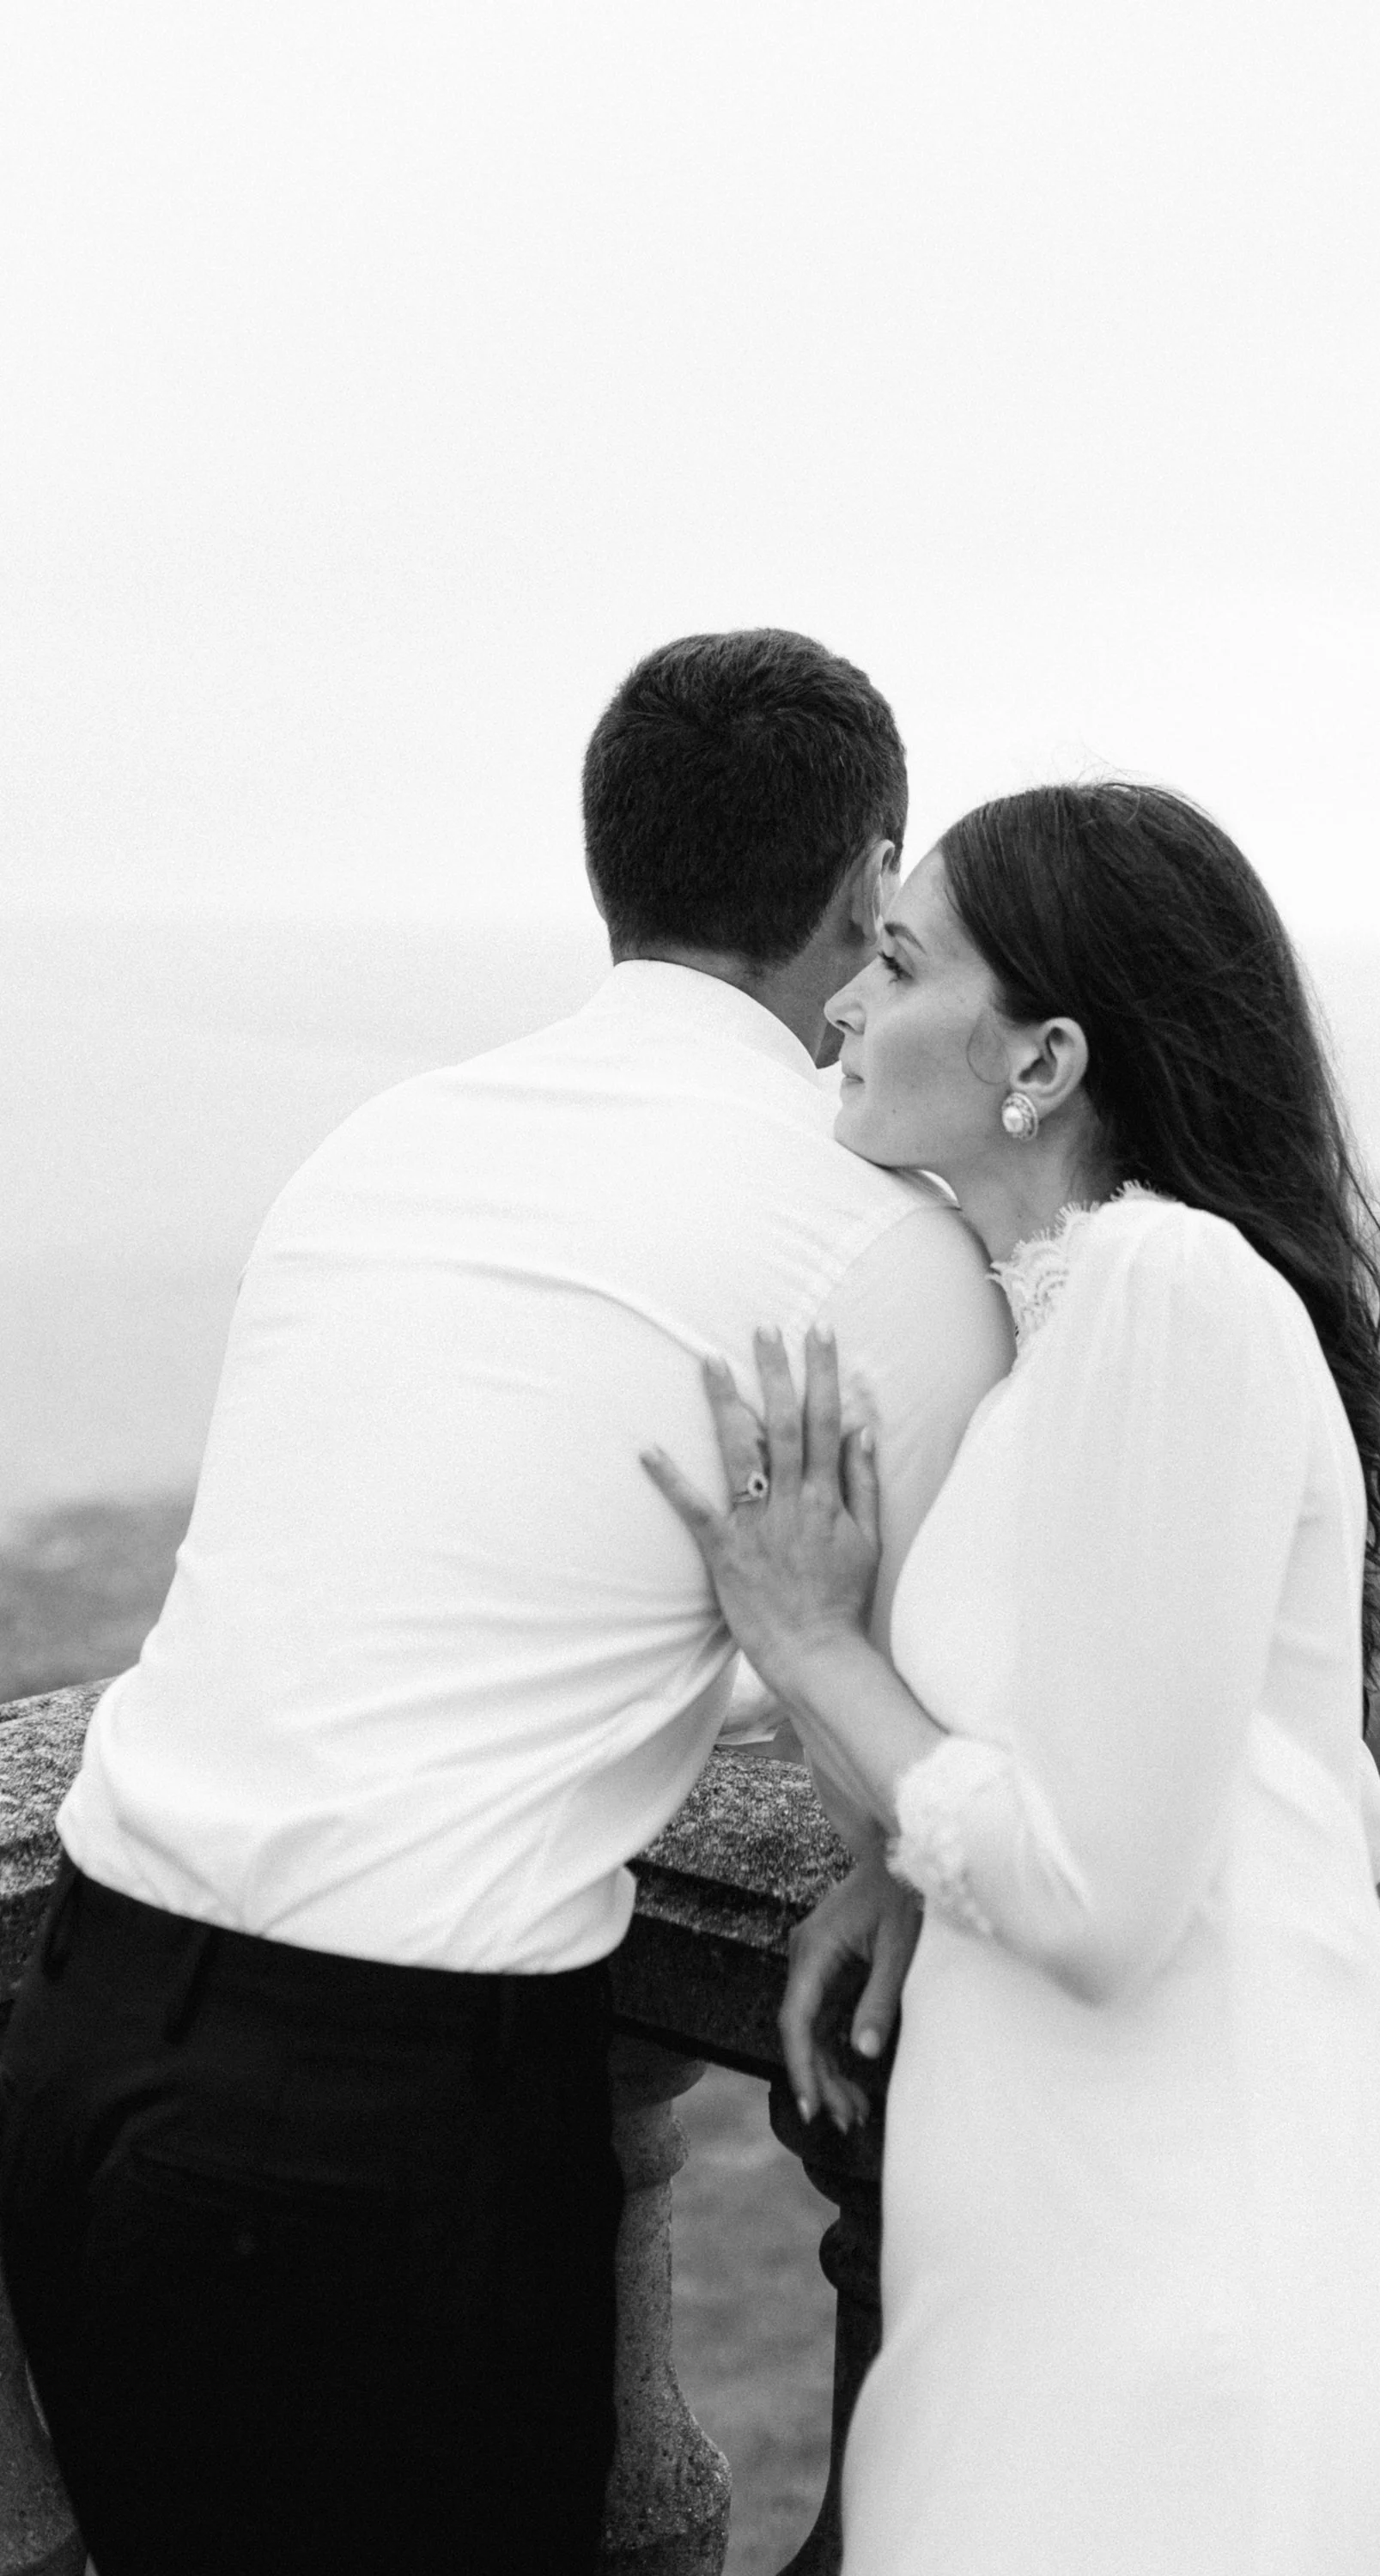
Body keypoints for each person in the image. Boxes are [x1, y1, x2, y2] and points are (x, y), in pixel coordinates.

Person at [0, 629, 1013, 2576]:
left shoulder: (387, 1135)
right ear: (869, 878)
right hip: (385, 2115)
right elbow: (953, 1699)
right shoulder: (872, 1242)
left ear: (607, 864)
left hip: (89, 2021)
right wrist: (884, 1855)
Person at [645, 781, 1380, 2573]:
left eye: (898, 964)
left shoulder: (1167, 1287)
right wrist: (904, 1853)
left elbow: (1102, 1903)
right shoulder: (1062, 1334)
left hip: (1172, 2275)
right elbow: (1086, 1754)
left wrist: (805, 1641)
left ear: (1042, 1063)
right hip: (1056, 2247)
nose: (842, 1003)